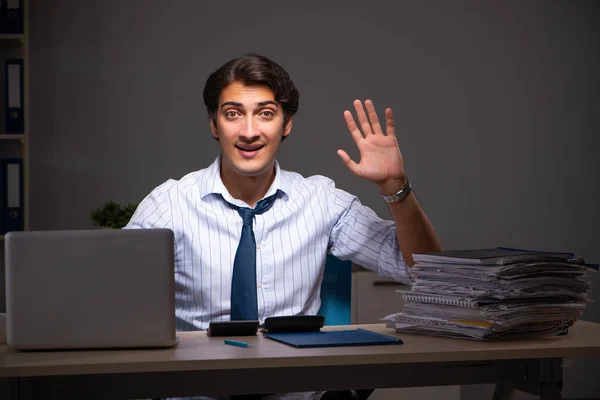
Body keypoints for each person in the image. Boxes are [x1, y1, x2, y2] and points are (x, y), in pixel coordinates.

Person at [125, 53, 442, 399]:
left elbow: (425, 272)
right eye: (233, 114)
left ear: (286, 123)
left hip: (297, 392)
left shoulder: (321, 199)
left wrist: (395, 186)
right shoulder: (168, 204)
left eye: (266, 113)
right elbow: (111, 298)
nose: (249, 131)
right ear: (214, 124)